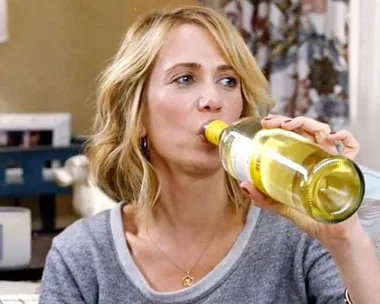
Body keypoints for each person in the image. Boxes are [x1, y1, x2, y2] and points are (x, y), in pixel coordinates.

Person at [39, 5, 380, 303]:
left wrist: (345, 239)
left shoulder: (297, 237)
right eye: (185, 78)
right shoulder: (82, 258)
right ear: (138, 114)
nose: (213, 99)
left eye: (228, 81)